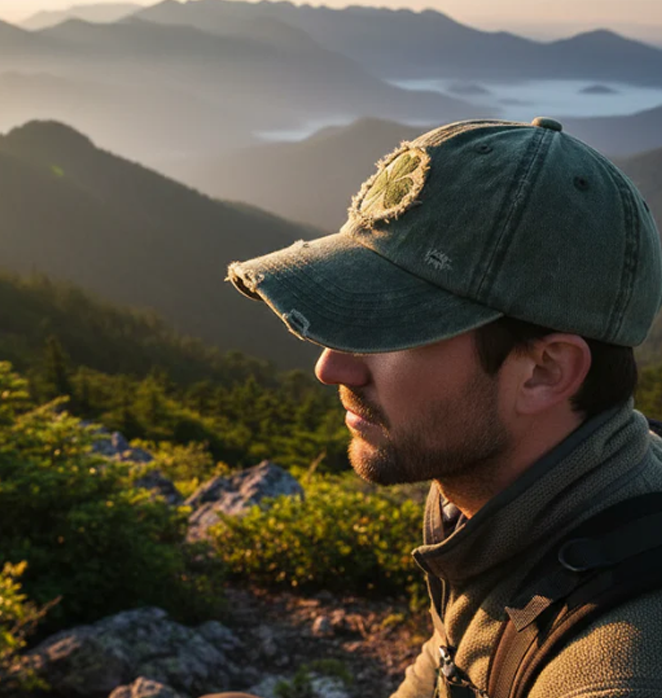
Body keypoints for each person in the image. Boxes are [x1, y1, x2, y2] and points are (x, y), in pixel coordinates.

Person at [226, 118, 662, 698]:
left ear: (544, 372)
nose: (331, 368)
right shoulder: (484, 494)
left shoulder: (616, 669)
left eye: (391, 328)